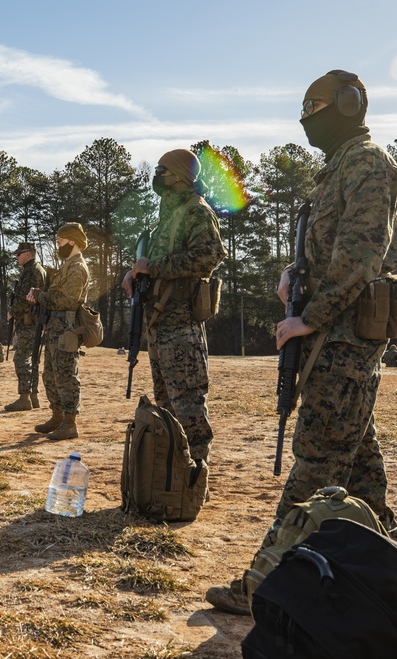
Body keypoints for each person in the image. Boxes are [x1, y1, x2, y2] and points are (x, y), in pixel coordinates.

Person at [205, 69, 397, 615]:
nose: (304, 119)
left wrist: (308, 317)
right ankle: (395, 569)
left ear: (345, 105)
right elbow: (328, 252)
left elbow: (361, 256)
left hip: (341, 338)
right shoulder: (338, 169)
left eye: (312, 108)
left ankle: (266, 584)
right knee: (359, 461)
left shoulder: (367, 163)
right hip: (334, 337)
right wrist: (295, 280)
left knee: (316, 462)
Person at [122, 148, 227, 469]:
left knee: (188, 405)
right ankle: (173, 476)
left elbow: (210, 256)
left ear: (180, 176)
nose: (157, 176)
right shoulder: (164, 220)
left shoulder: (197, 211)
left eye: (162, 170)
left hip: (182, 328)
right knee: (165, 404)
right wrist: (136, 274)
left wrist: (153, 266)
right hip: (160, 325)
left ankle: (197, 473)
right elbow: (152, 267)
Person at [27, 223, 90, 440]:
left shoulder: (77, 268)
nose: (58, 245)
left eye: (60, 241)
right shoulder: (66, 266)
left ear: (72, 241)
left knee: (65, 376)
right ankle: (57, 416)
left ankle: (70, 423)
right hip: (55, 329)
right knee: (50, 375)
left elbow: (67, 300)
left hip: (66, 329)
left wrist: (40, 295)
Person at [5, 242, 47, 411]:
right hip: (34, 322)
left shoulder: (31, 271)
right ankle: (33, 397)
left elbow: (24, 298)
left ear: (28, 254)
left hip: (29, 321)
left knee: (21, 359)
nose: (16, 257)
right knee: (33, 360)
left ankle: (24, 398)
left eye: (19, 254)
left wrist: (12, 312)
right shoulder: (37, 270)